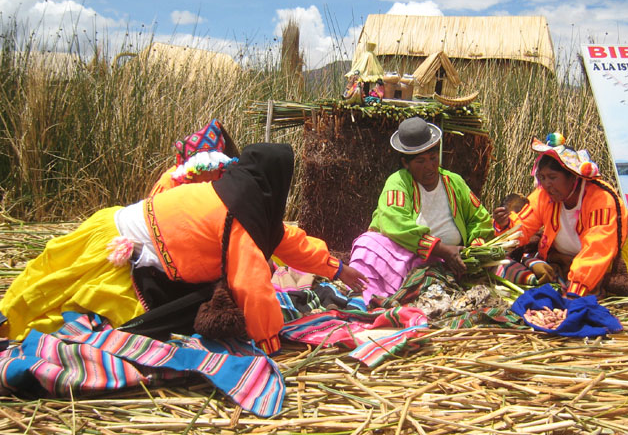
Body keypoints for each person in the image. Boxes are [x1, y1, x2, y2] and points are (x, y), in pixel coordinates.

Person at [0, 143, 368, 355]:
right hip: (118, 251)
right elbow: (253, 286)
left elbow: (286, 239)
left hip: (109, 224)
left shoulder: (238, 198)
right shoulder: (239, 216)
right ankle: (8, 323)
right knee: (65, 296)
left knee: (50, 278)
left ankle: (9, 316)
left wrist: (336, 268)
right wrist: (269, 343)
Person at [349, 117, 494, 304]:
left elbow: (479, 218)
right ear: (406, 163)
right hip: (406, 258)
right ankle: (365, 297)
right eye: (420, 161)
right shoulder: (399, 181)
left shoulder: (454, 182)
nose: (429, 167)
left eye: (433, 158)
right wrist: (440, 249)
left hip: (450, 263)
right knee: (367, 243)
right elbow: (395, 222)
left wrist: (474, 248)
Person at [493, 133, 628, 298]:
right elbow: (523, 226)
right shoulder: (544, 195)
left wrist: (574, 292)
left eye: (553, 177)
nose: (546, 184)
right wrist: (505, 225)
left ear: (572, 176)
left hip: (605, 260)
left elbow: (597, 251)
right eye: (542, 178)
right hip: (565, 261)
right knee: (508, 265)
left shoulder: (601, 199)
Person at [149, 119, 240, 196]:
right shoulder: (169, 184)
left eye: (213, 168)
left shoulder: (224, 176)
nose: (209, 175)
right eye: (204, 168)